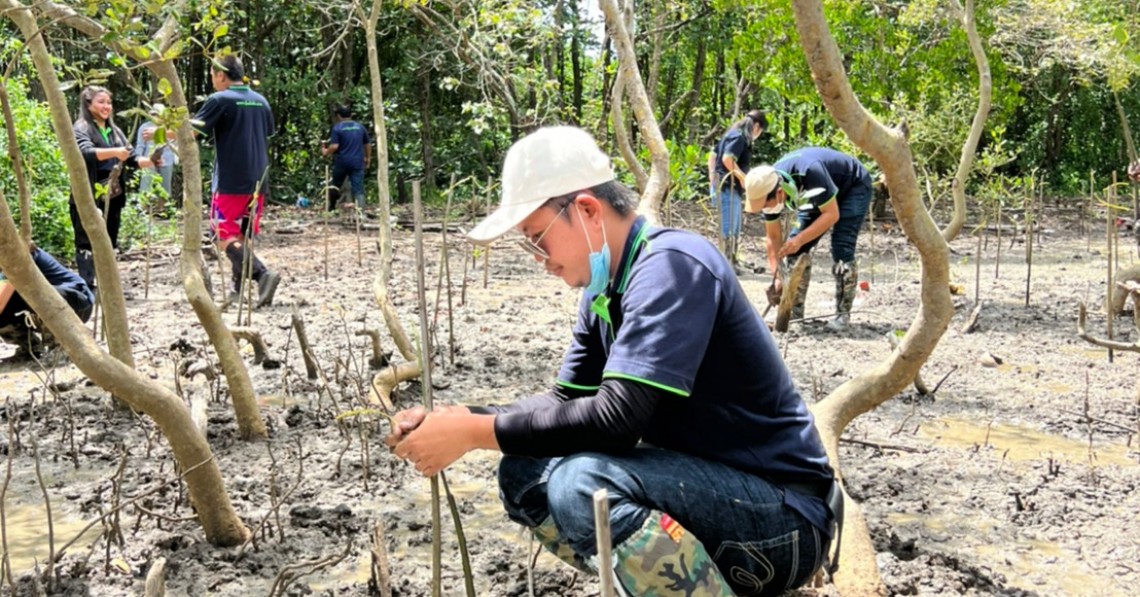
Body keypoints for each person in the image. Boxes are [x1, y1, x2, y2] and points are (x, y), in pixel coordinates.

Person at [385, 126, 837, 596]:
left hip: (783, 519)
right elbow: (564, 400)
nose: (539, 258)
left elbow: (616, 420)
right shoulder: (604, 291)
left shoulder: (673, 265)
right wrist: (457, 420)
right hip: (705, 491)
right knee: (525, 472)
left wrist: (474, 434)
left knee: (584, 485)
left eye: (538, 238)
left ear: (586, 210)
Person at [744, 147, 873, 331]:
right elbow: (773, 238)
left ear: (780, 192)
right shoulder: (764, 184)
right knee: (794, 250)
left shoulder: (810, 171)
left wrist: (799, 240)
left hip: (852, 186)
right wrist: (779, 278)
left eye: (765, 204)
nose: (765, 208)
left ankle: (842, 316)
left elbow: (831, 214)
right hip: (814, 195)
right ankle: (795, 318)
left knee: (841, 246)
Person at [194, 54, 281, 307]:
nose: (212, 81)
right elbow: (267, 132)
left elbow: (192, 132)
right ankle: (236, 290)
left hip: (231, 180)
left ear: (221, 75)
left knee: (221, 235)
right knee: (240, 236)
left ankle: (262, 274)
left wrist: (159, 134)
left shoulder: (219, 100)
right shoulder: (261, 101)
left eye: (212, 75)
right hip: (258, 179)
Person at [71, 85, 162, 289]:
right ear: (88, 104)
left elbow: (130, 158)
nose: (107, 107)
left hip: (114, 193)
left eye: (109, 103)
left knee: (110, 240)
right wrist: (114, 152)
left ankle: (108, 285)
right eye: (101, 102)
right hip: (89, 191)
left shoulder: (115, 130)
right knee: (86, 240)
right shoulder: (81, 127)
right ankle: (88, 286)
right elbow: (85, 152)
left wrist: (150, 161)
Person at [0, 244, 95, 361]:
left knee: (35, 294)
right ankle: (29, 348)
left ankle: (60, 347)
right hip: (48, 305)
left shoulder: (16, 253)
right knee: (13, 299)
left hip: (76, 304)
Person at [708, 109, 766, 268]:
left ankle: (732, 261)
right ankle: (725, 264)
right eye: (760, 131)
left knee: (734, 226)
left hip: (726, 187)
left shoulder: (731, 134)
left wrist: (711, 177)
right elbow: (727, 159)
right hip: (728, 187)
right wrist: (744, 178)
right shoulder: (740, 137)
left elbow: (713, 155)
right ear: (756, 126)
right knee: (728, 228)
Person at [320, 104, 372, 210]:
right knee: (358, 188)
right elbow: (367, 144)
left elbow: (334, 146)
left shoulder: (337, 128)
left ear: (338, 116)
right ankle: (361, 211)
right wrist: (367, 158)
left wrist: (326, 152)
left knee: (335, 185)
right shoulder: (360, 127)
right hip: (357, 162)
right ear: (351, 115)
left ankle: (331, 208)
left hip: (342, 162)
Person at [135, 105, 179, 199]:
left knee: (165, 190)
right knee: (146, 188)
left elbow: (176, 143)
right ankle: (145, 209)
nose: (156, 117)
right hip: (149, 161)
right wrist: (138, 160)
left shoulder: (170, 129)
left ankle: (163, 210)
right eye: (154, 114)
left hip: (167, 161)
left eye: (158, 115)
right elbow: (140, 146)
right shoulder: (144, 127)